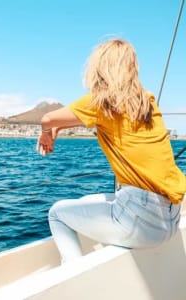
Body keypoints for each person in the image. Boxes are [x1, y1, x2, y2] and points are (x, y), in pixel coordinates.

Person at [37, 39, 186, 263]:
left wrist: (47, 132)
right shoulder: (147, 102)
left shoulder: (101, 102)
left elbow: (46, 118)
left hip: (141, 223)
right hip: (169, 219)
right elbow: (90, 119)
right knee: (88, 199)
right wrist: (58, 127)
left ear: (100, 68)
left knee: (57, 214)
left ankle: (75, 277)